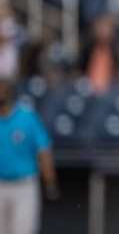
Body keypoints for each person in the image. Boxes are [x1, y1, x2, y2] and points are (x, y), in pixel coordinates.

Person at [0, 79, 60, 234]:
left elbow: (43, 150)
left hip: (24, 185)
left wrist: (50, 181)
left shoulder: (27, 117)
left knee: (23, 230)